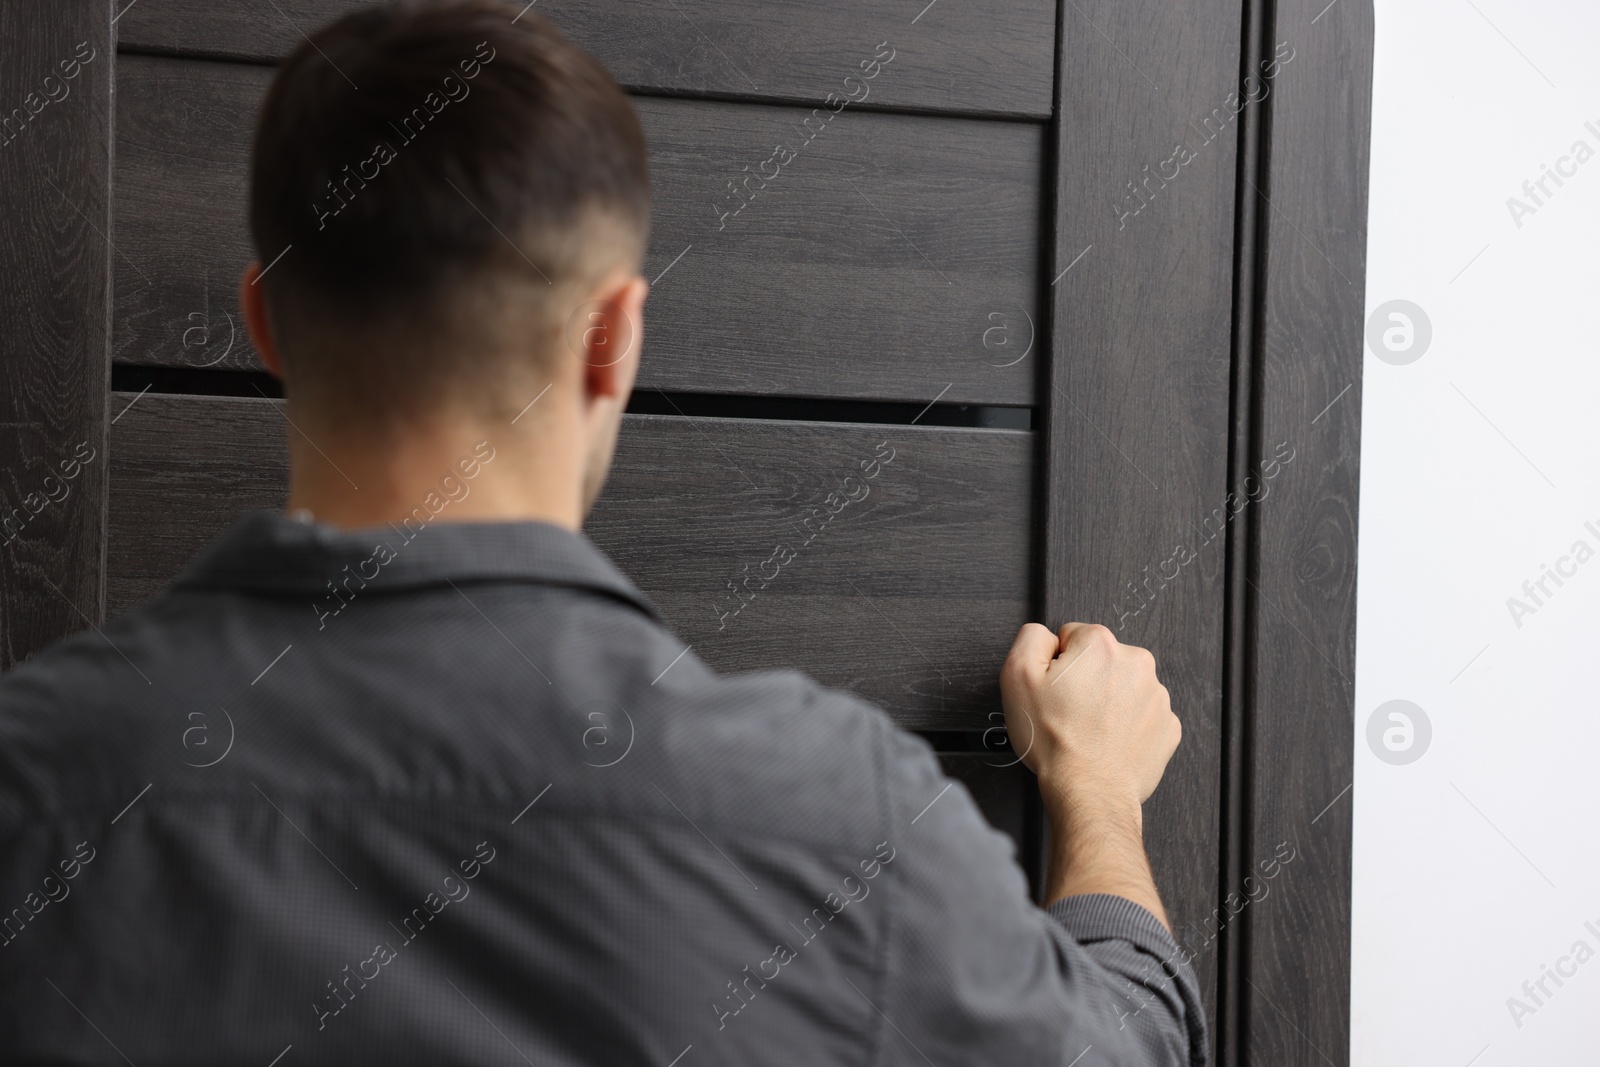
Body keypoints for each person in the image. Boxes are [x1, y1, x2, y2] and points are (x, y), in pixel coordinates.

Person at [0, 2, 1204, 1063]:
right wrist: (1097, 796)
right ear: (612, 335)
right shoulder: (838, 817)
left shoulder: (33, 777)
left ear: (262, 319)